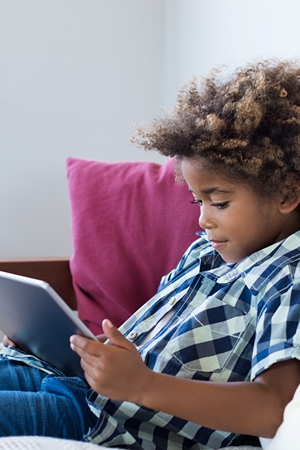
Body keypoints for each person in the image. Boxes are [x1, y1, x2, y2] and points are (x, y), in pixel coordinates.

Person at [2, 58, 300, 449]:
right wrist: (65, 343)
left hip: (106, 421)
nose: (204, 220)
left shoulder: (288, 281)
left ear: (286, 193)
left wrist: (143, 385)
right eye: (197, 201)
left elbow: (271, 409)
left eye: (219, 203)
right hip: (75, 384)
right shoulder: (206, 251)